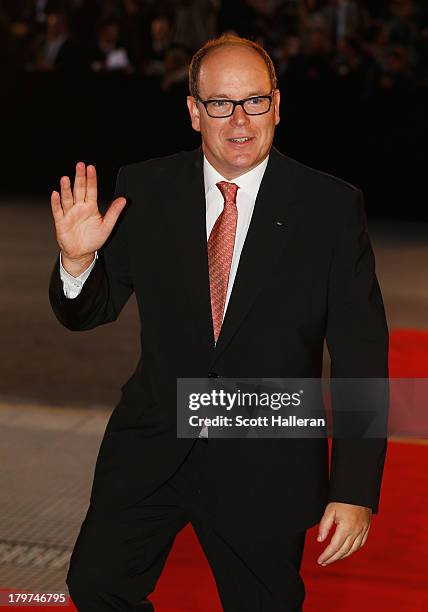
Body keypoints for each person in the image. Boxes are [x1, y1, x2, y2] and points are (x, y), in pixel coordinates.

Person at [49, 33, 389, 612]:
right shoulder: (146, 190)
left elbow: (361, 354)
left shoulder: (329, 209)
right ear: (192, 111)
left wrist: (354, 490)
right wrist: (78, 264)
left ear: (277, 106)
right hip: (153, 446)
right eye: (220, 103)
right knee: (96, 585)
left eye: (254, 101)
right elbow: (90, 311)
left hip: (264, 456)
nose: (239, 120)